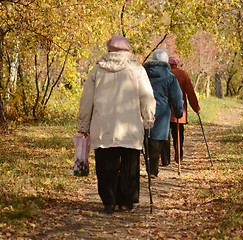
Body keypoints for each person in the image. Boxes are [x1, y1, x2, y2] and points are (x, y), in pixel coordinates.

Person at [77, 35, 156, 214]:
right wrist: (148, 118)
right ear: (128, 50)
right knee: (130, 164)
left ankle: (109, 201)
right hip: (130, 126)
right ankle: (126, 201)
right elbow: (147, 97)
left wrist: (84, 123)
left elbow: (86, 99)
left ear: (109, 50)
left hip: (103, 126)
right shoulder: (137, 69)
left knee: (105, 165)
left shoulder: (97, 70)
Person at [143, 49, 183, 178]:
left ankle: (151, 168)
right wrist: (178, 112)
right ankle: (153, 170)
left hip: (143, 112)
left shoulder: (142, 74)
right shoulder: (170, 77)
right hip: (162, 114)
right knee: (157, 140)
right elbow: (177, 97)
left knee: (146, 140)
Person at [162, 55, 201, 164]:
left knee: (165, 135)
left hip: (164, 111)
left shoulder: (163, 73)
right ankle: (179, 156)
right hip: (179, 110)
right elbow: (190, 93)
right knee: (178, 134)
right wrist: (196, 108)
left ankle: (165, 159)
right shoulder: (183, 74)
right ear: (177, 64)